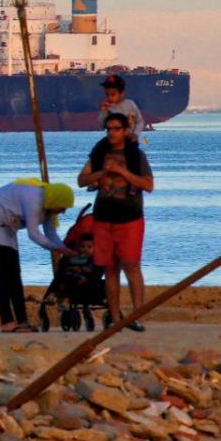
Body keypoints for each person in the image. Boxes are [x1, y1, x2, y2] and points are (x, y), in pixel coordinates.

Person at [77, 112, 154, 331]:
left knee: (132, 266)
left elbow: (148, 185)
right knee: (110, 269)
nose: (112, 133)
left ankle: (137, 316)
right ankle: (114, 318)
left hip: (129, 218)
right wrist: (102, 172)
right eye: (108, 129)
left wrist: (121, 171)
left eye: (116, 129)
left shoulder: (136, 155)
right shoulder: (99, 153)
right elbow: (82, 180)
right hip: (103, 218)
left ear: (126, 130)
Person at [0, 179, 77, 332]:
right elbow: (34, 234)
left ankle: (22, 321)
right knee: (4, 272)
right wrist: (58, 249)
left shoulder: (49, 207)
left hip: (8, 226)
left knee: (15, 273)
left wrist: (64, 248)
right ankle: (7, 322)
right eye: (63, 207)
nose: (63, 211)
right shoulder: (34, 199)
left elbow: (51, 234)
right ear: (56, 200)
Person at [98, 74, 145, 141]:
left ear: (122, 93)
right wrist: (103, 111)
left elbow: (140, 121)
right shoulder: (108, 109)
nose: (109, 97)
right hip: (114, 141)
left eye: (113, 94)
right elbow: (102, 125)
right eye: (107, 94)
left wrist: (135, 134)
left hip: (130, 141)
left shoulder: (130, 104)